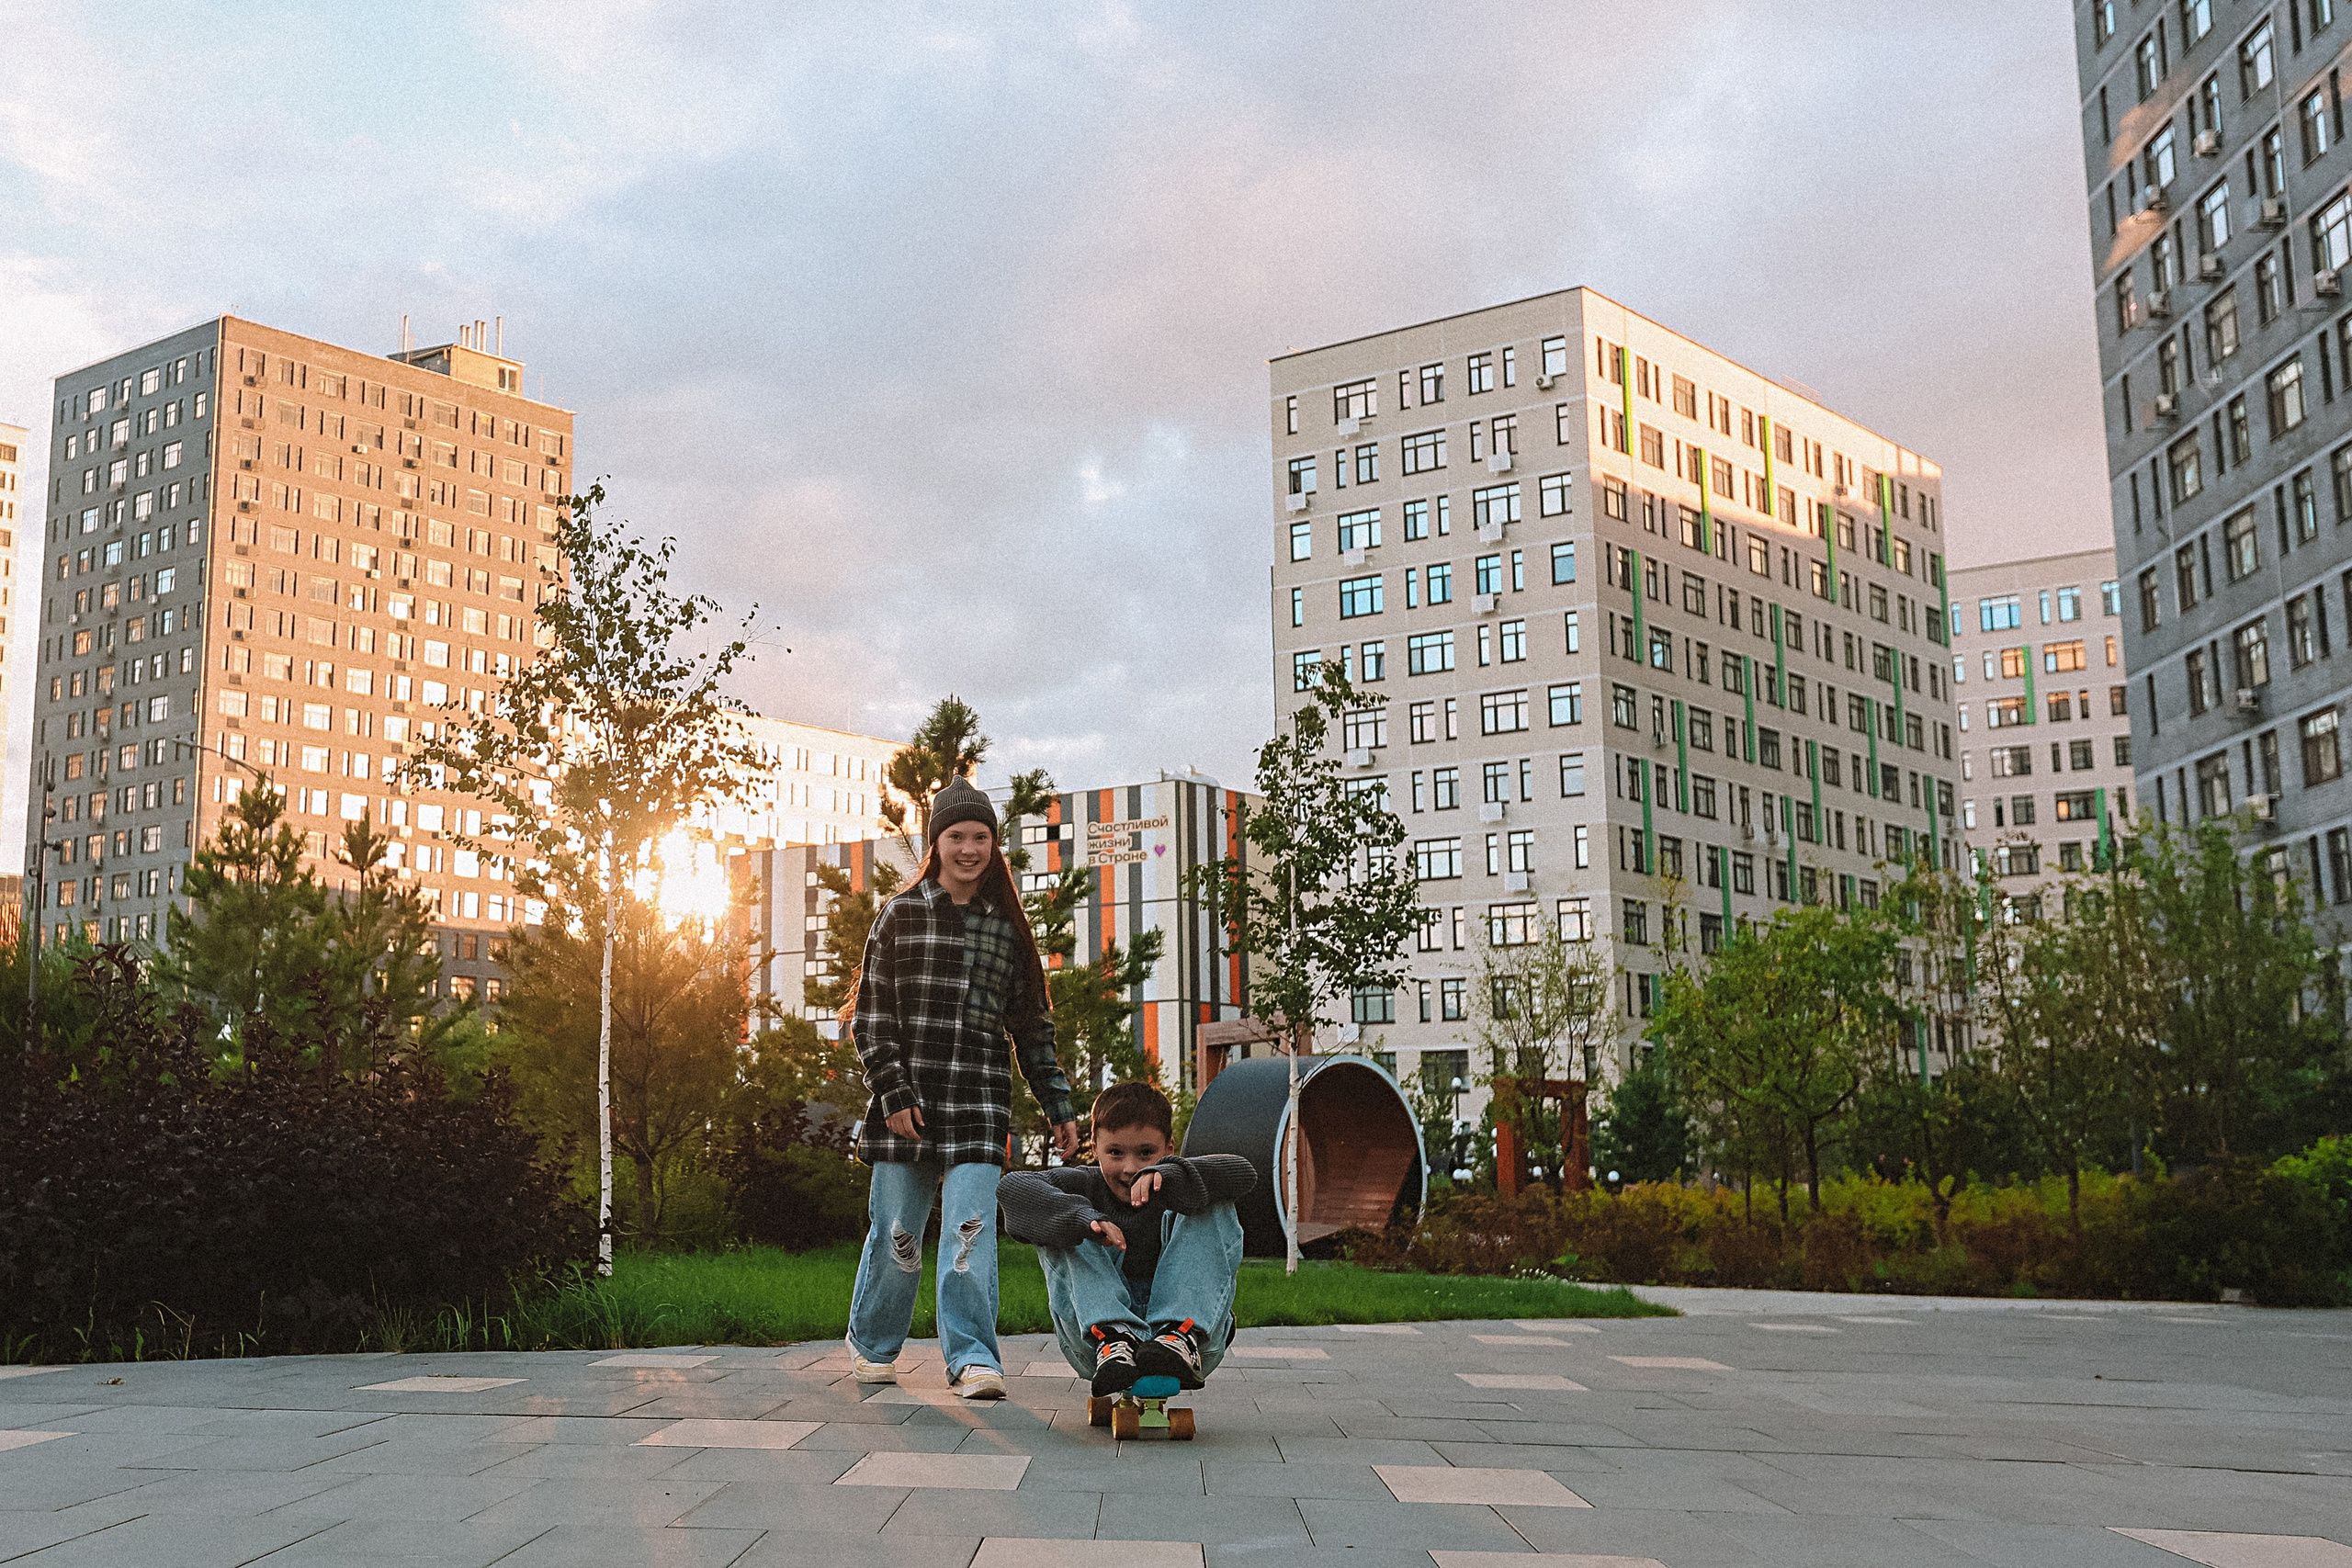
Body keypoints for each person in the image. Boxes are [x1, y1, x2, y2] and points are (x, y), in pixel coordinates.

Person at [843, 776, 1080, 1400]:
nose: (969, 848)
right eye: (957, 836)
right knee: (898, 1236)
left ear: (994, 845)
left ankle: (974, 1358)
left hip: (978, 1103)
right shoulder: (900, 914)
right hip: (909, 1105)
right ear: (936, 842)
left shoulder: (1007, 930)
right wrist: (892, 1093)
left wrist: (1059, 1105)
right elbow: (871, 1015)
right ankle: (873, 1344)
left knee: (970, 1235)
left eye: (980, 836)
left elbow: (1031, 1027)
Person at [998, 1079, 1254, 1396]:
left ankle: (1177, 1335)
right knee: (1063, 1217)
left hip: (1192, 1345)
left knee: (1210, 1197)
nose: (1130, 1168)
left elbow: (1243, 1172)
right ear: (1095, 1149)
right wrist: (1085, 1219)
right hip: (1097, 1348)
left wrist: (1173, 1175)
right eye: (1115, 1153)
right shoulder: (1086, 1183)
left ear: (1169, 1148)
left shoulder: (1172, 1179)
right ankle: (1115, 1335)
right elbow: (1012, 1187)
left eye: (1146, 1153)